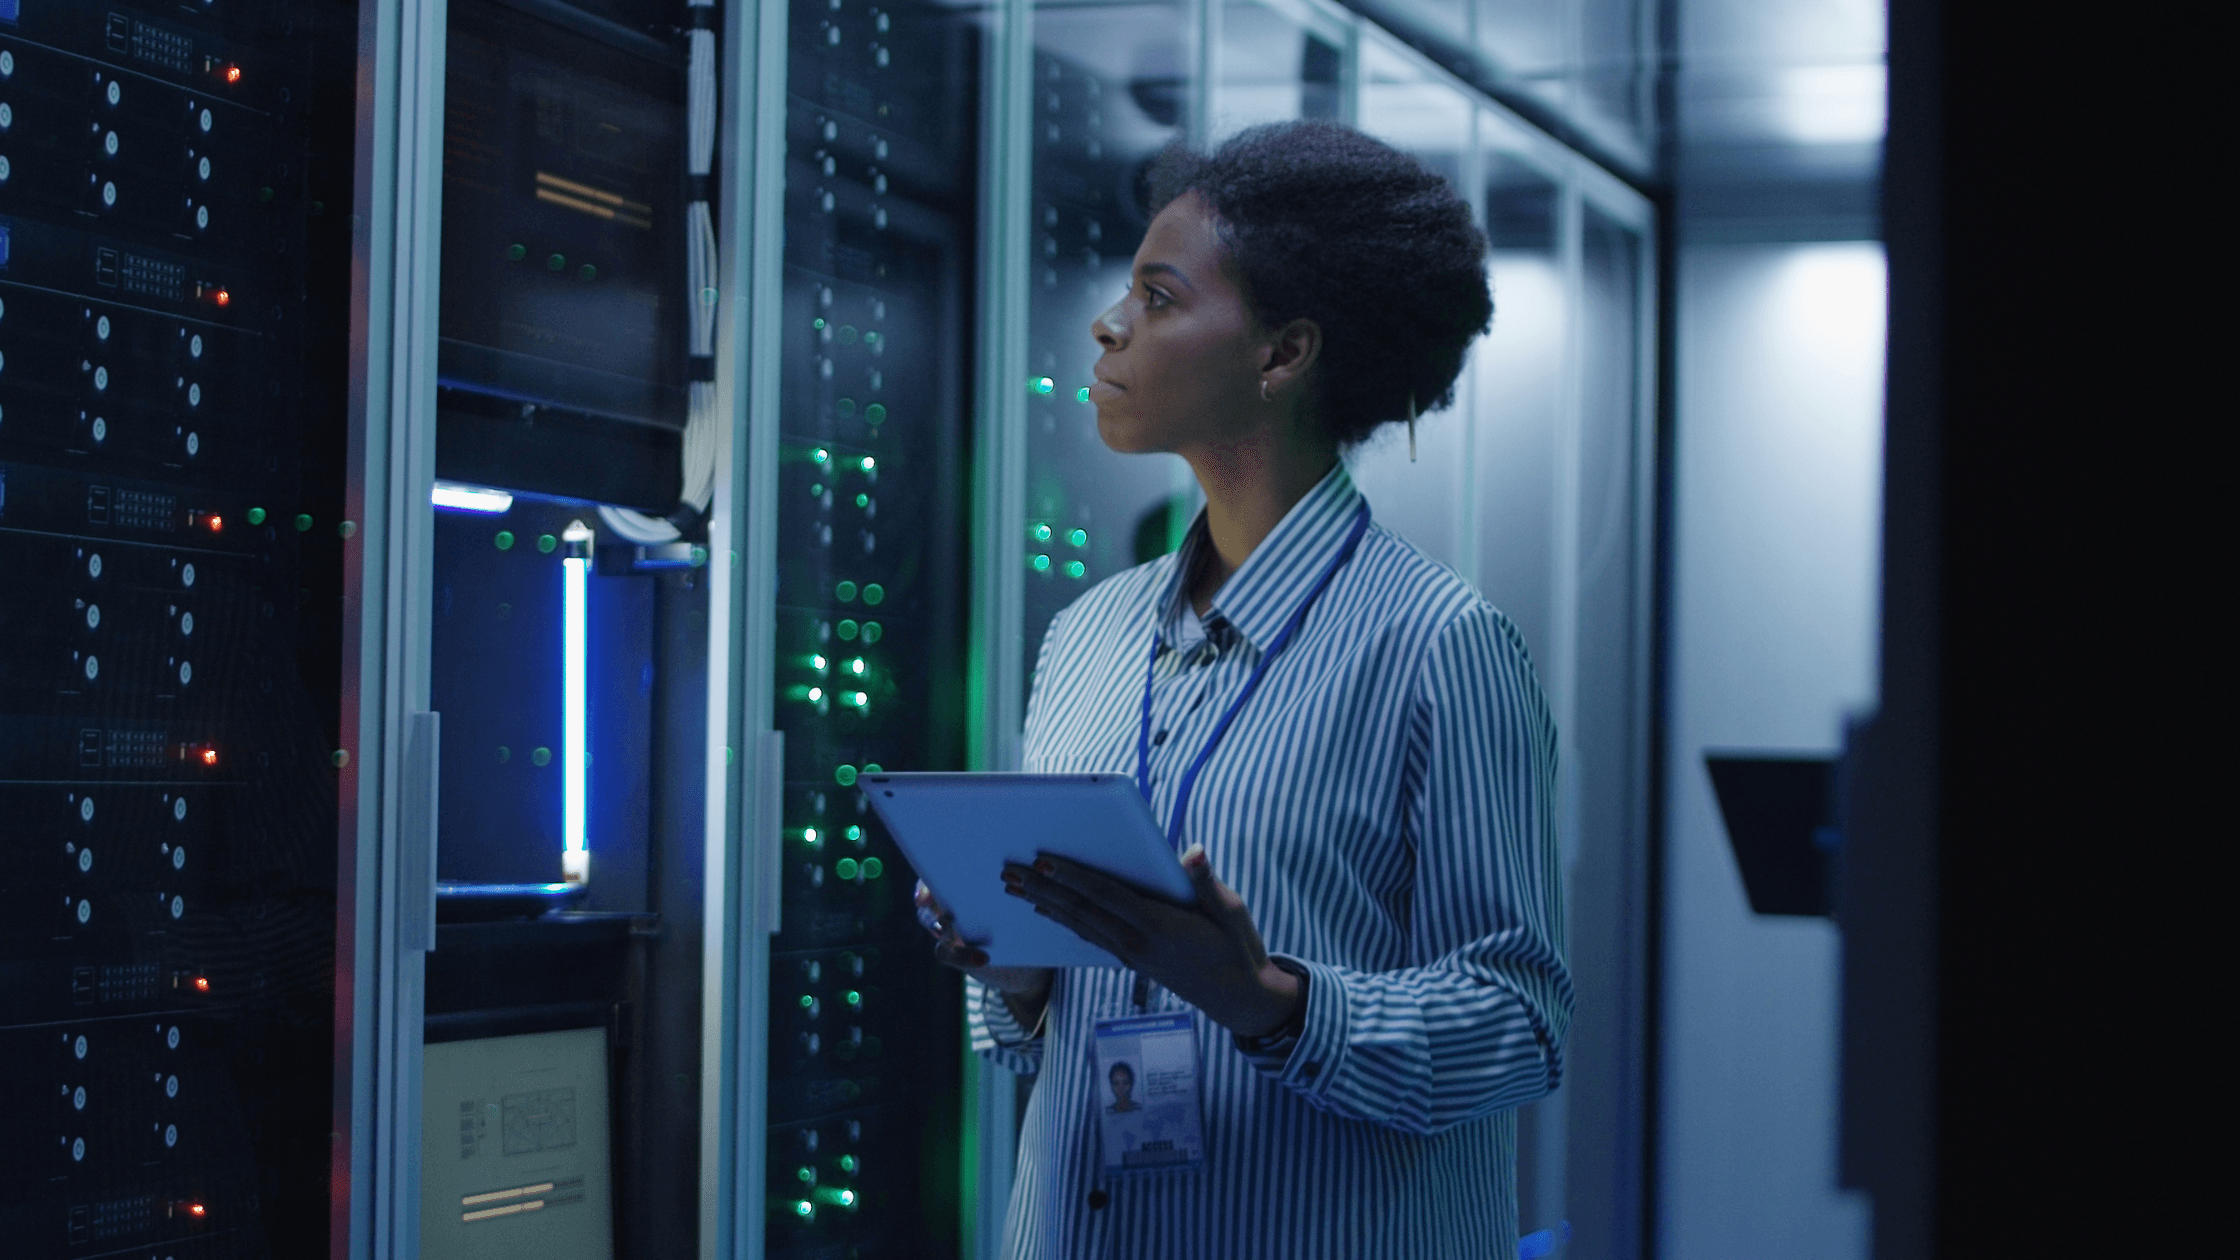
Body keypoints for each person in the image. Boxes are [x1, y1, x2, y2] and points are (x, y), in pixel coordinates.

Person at [916, 120, 1571, 1259]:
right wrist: (1012, 967)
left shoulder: (1439, 647)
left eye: (1159, 298)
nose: (1108, 324)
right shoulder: (1086, 636)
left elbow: (1519, 1023)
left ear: (1282, 355)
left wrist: (1272, 1003)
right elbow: (1027, 1030)